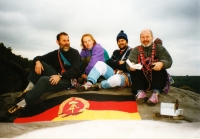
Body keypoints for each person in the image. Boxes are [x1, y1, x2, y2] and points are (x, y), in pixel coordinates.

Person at [6, 32, 81, 115]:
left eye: (68, 40)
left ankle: (23, 103)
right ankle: (29, 89)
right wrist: (38, 62)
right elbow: (39, 58)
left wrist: (60, 76)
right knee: (41, 64)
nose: (66, 43)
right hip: (57, 76)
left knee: (43, 80)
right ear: (57, 42)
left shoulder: (75, 53)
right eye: (64, 41)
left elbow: (76, 69)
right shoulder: (56, 53)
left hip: (68, 80)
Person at [127, 29, 173, 106]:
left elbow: (168, 60)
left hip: (157, 79)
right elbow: (129, 62)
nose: (145, 39)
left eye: (147, 37)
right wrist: (131, 66)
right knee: (135, 69)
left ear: (152, 37)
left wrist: (162, 63)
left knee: (157, 66)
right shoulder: (135, 50)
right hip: (142, 81)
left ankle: (156, 93)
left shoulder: (159, 48)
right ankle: (140, 92)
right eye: (143, 37)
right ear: (140, 38)